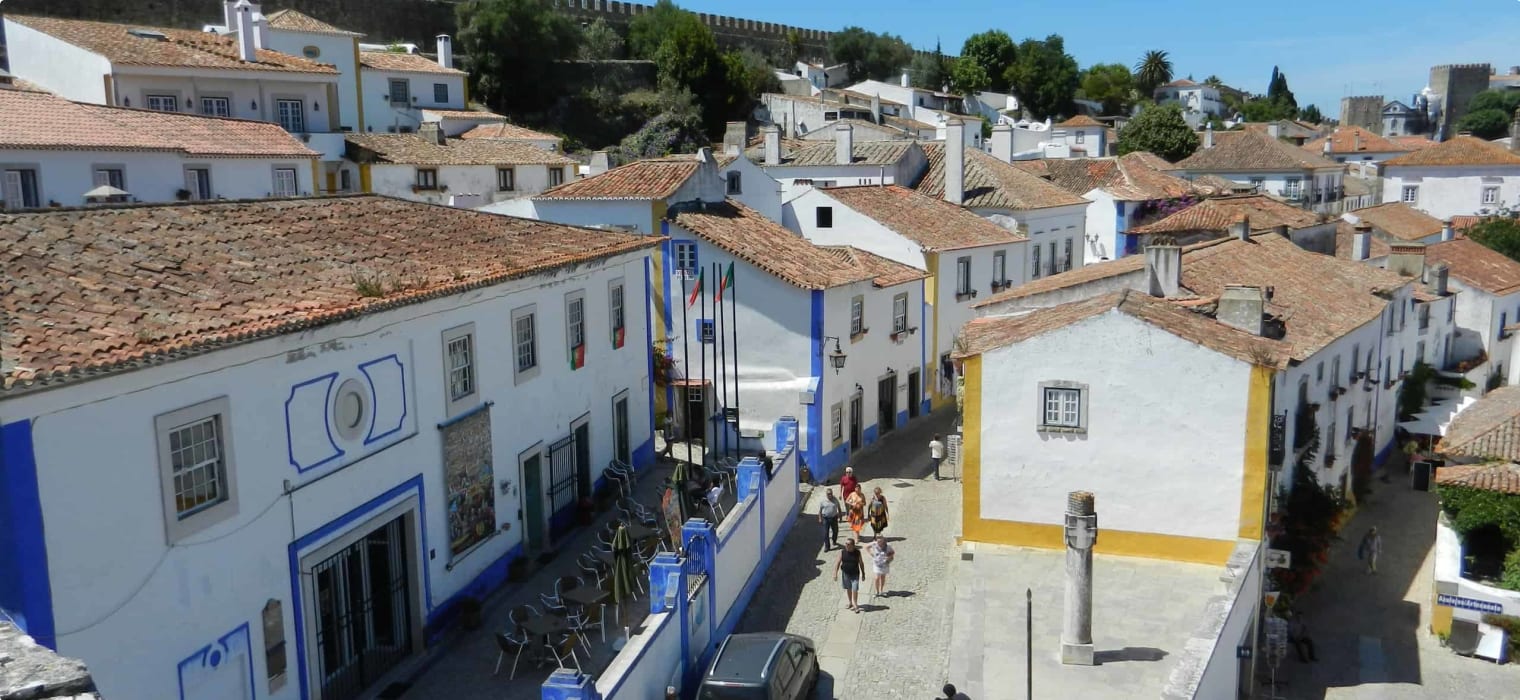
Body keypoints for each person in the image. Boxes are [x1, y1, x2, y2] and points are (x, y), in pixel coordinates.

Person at [833, 538, 864, 612]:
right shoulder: (842, 552)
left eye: (848, 544)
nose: (846, 545)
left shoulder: (857, 552)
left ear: (853, 545)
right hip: (845, 574)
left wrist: (863, 573)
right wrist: (835, 573)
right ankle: (850, 602)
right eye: (846, 544)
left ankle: (855, 605)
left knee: (855, 588)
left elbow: (861, 563)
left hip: (855, 574)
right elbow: (838, 562)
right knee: (848, 588)